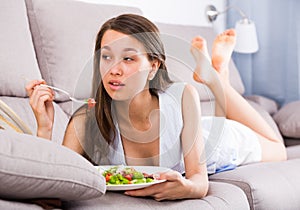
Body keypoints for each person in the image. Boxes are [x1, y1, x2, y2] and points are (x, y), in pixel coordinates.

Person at [26, 14, 287, 201]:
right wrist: (44, 130)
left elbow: (199, 181)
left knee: (278, 150)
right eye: (106, 57)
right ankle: (217, 75)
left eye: (128, 58)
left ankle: (217, 79)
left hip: (211, 142)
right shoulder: (85, 119)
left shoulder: (184, 96)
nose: (114, 69)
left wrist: (187, 188)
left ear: (153, 66)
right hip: (190, 132)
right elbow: (52, 197)